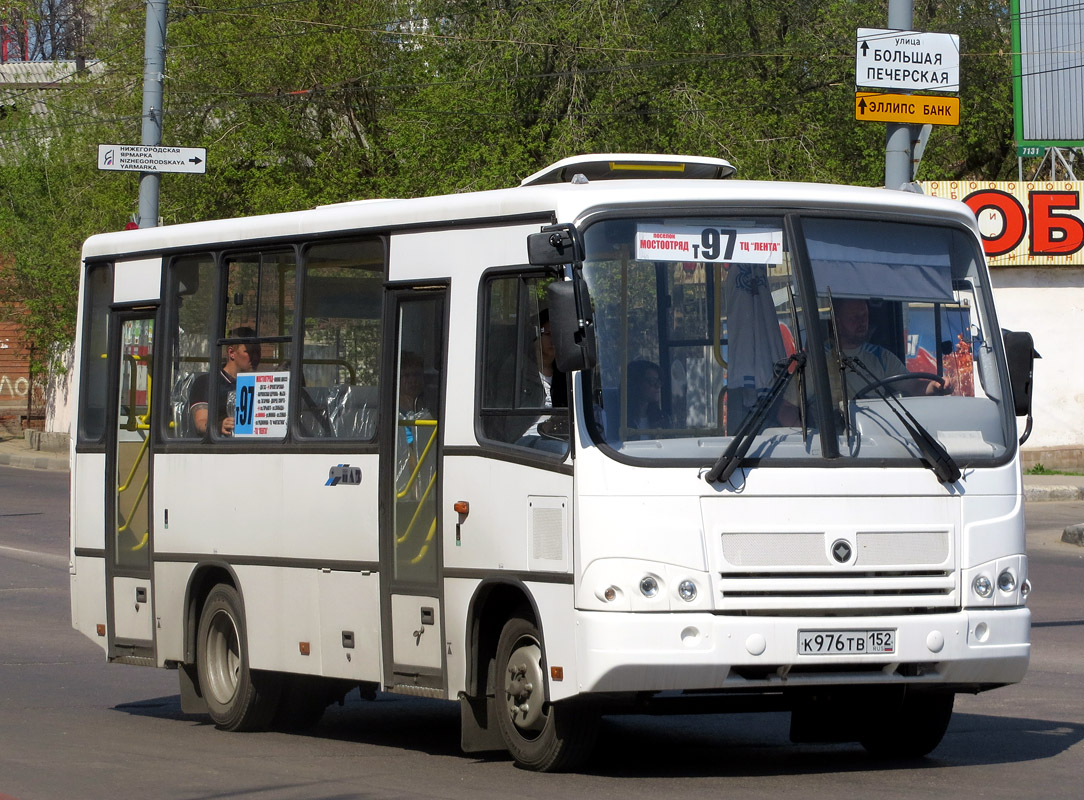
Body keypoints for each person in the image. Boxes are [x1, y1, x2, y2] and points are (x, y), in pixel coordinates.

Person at [828, 298, 949, 398]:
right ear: (837, 322)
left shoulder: (881, 357)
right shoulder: (818, 360)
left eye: (864, 315)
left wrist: (934, 385)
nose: (862, 322)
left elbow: (913, 386)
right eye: (854, 317)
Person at [189, 326, 261, 436]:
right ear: (231, 352)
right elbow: (200, 423)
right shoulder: (207, 382)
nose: (255, 357)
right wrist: (218, 426)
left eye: (258, 352)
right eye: (250, 352)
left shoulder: (259, 384)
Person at [626, 359, 669, 433]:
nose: (658, 386)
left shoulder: (662, 419)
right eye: (652, 381)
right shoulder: (619, 420)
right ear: (636, 383)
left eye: (658, 381)